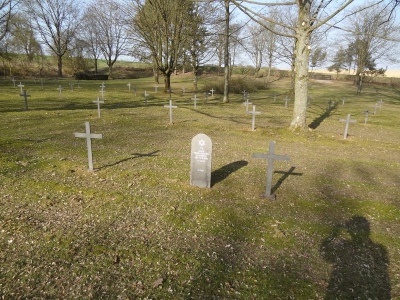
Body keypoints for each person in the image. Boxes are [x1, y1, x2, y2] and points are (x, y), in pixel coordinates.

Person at [320, 215, 391, 299]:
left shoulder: (343, 247)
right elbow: (384, 278)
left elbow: (325, 253)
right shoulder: (378, 250)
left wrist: (334, 233)